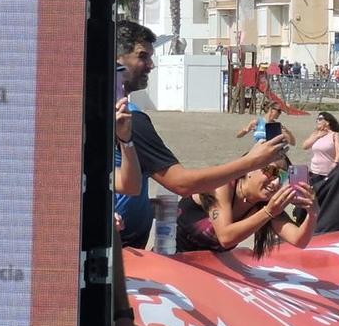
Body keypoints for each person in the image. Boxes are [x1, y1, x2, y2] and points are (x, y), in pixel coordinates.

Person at [116, 21, 289, 248]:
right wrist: (250, 162)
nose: (151, 65)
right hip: (120, 244)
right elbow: (182, 184)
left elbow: (128, 184)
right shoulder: (131, 121)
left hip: (124, 239)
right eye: (142, 56)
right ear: (117, 59)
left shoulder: (122, 116)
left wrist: (147, 206)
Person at [176, 164, 315, 255]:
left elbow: (299, 240)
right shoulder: (222, 185)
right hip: (171, 258)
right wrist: (268, 212)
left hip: (206, 270)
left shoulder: (265, 205)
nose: (276, 182)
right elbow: (225, 237)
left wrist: (313, 212)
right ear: (249, 170)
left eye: (282, 177)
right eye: (271, 171)